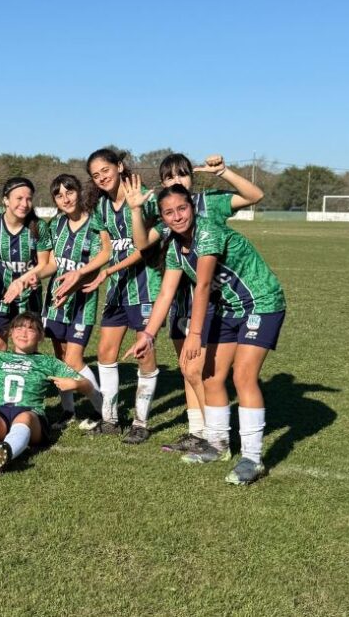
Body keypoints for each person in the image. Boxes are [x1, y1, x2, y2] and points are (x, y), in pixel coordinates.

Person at [124, 184, 286, 485]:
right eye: (169, 213)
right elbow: (166, 293)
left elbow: (202, 284)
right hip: (229, 307)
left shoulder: (208, 232)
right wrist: (147, 334)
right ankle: (218, 445)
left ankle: (253, 458)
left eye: (182, 209)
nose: (177, 217)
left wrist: (195, 333)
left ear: (192, 208)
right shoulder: (173, 247)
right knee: (211, 377)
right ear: (162, 217)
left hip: (261, 302)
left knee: (243, 377)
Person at [139, 153, 266, 452]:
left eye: (182, 174)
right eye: (169, 177)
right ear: (162, 184)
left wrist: (224, 172)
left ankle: (213, 434)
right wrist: (135, 209)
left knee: (202, 370)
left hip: (213, 298)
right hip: (183, 298)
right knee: (188, 368)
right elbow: (143, 244)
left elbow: (255, 195)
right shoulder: (166, 213)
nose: (176, 181)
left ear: (192, 179)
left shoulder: (209, 203)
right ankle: (198, 431)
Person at [54, 149, 161, 443]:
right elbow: (107, 250)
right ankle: (110, 419)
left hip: (145, 287)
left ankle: (140, 422)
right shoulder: (101, 207)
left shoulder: (141, 198)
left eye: (106, 170)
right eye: (96, 174)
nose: (101, 177)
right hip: (116, 289)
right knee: (105, 353)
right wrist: (83, 272)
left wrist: (108, 271)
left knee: (144, 352)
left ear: (120, 166)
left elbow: (144, 248)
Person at [0, 313, 91, 473]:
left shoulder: (48, 362)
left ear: (40, 336)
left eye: (31, 329)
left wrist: (75, 383)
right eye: (18, 327)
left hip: (32, 416)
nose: (23, 333)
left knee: (25, 418)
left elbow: (86, 384)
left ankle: (5, 454)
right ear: (10, 332)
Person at [33, 174, 106, 425]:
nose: (66, 198)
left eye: (70, 192)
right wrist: (33, 276)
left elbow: (99, 262)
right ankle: (68, 411)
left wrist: (76, 282)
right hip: (55, 301)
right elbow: (52, 263)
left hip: (82, 302)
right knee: (59, 357)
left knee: (74, 359)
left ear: (79, 192)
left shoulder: (96, 225)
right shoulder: (56, 225)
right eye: (59, 195)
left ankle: (102, 409)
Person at [0, 177, 53, 407]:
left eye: (29, 198)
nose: (24, 203)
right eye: (19, 198)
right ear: (5, 200)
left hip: (29, 299)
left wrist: (23, 280)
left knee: (26, 350)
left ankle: (26, 399)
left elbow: (44, 264)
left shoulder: (38, 227)